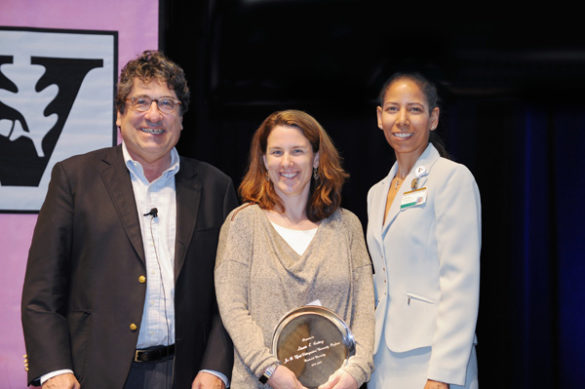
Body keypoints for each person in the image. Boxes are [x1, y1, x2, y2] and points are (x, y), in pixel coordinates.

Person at [21, 50, 238, 389]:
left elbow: (230, 295)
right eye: (141, 102)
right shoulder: (75, 179)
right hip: (92, 374)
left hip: (188, 375)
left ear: (181, 118)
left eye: (167, 104)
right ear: (119, 114)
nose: (154, 115)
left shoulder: (216, 187)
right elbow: (42, 292)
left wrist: (216, 368)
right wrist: (53, 369)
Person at [214, 110, 374, 389]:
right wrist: (271, 371)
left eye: (297, 151)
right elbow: (233, 308)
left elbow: (365, 312)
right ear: (264, 161)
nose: (286, 162)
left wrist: (356, 372)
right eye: (276, 152)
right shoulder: (242, 224)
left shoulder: (348, 227)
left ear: (315, 158)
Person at [366, 72, 480, 389]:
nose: (402, 120)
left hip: (433, 360)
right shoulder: (376, 193)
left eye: (414, 109)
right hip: (383, 360)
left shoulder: (451, 178)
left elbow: (460, 282)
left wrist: (441, 375)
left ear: (433, 118)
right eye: (392, 109)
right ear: (379, 117)